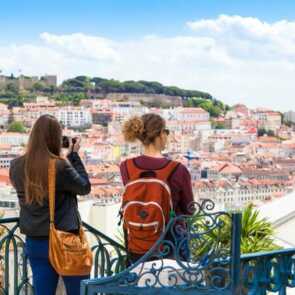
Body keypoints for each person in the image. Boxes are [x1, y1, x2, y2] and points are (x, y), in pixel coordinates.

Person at [9, 115, 91, 295]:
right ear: (56, 138)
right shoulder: (60, 166)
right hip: (64, 241)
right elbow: (84, 187)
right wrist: (74, 155)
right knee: (78, 291)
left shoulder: (15, 165)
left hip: (35, 242)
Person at [120, 113, 194, 263]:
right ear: (160, 134)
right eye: (166, 132)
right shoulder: (178, 169)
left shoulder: (126, 167)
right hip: (169, 245)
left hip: (137, 243)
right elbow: (189, 209)